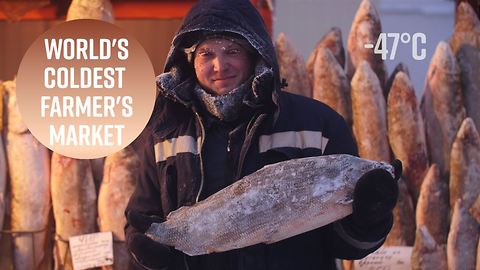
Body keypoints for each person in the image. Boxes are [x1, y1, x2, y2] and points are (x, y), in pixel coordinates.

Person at [125, 0, 401, 269]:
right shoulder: (165, 133)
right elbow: (144, 218)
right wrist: (149, 255)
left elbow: (345, 246)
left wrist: (369, 221)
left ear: (255, 53)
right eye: (206, 54)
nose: (220, 65)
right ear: (189, 61)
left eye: (232, 51)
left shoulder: (319, 125)